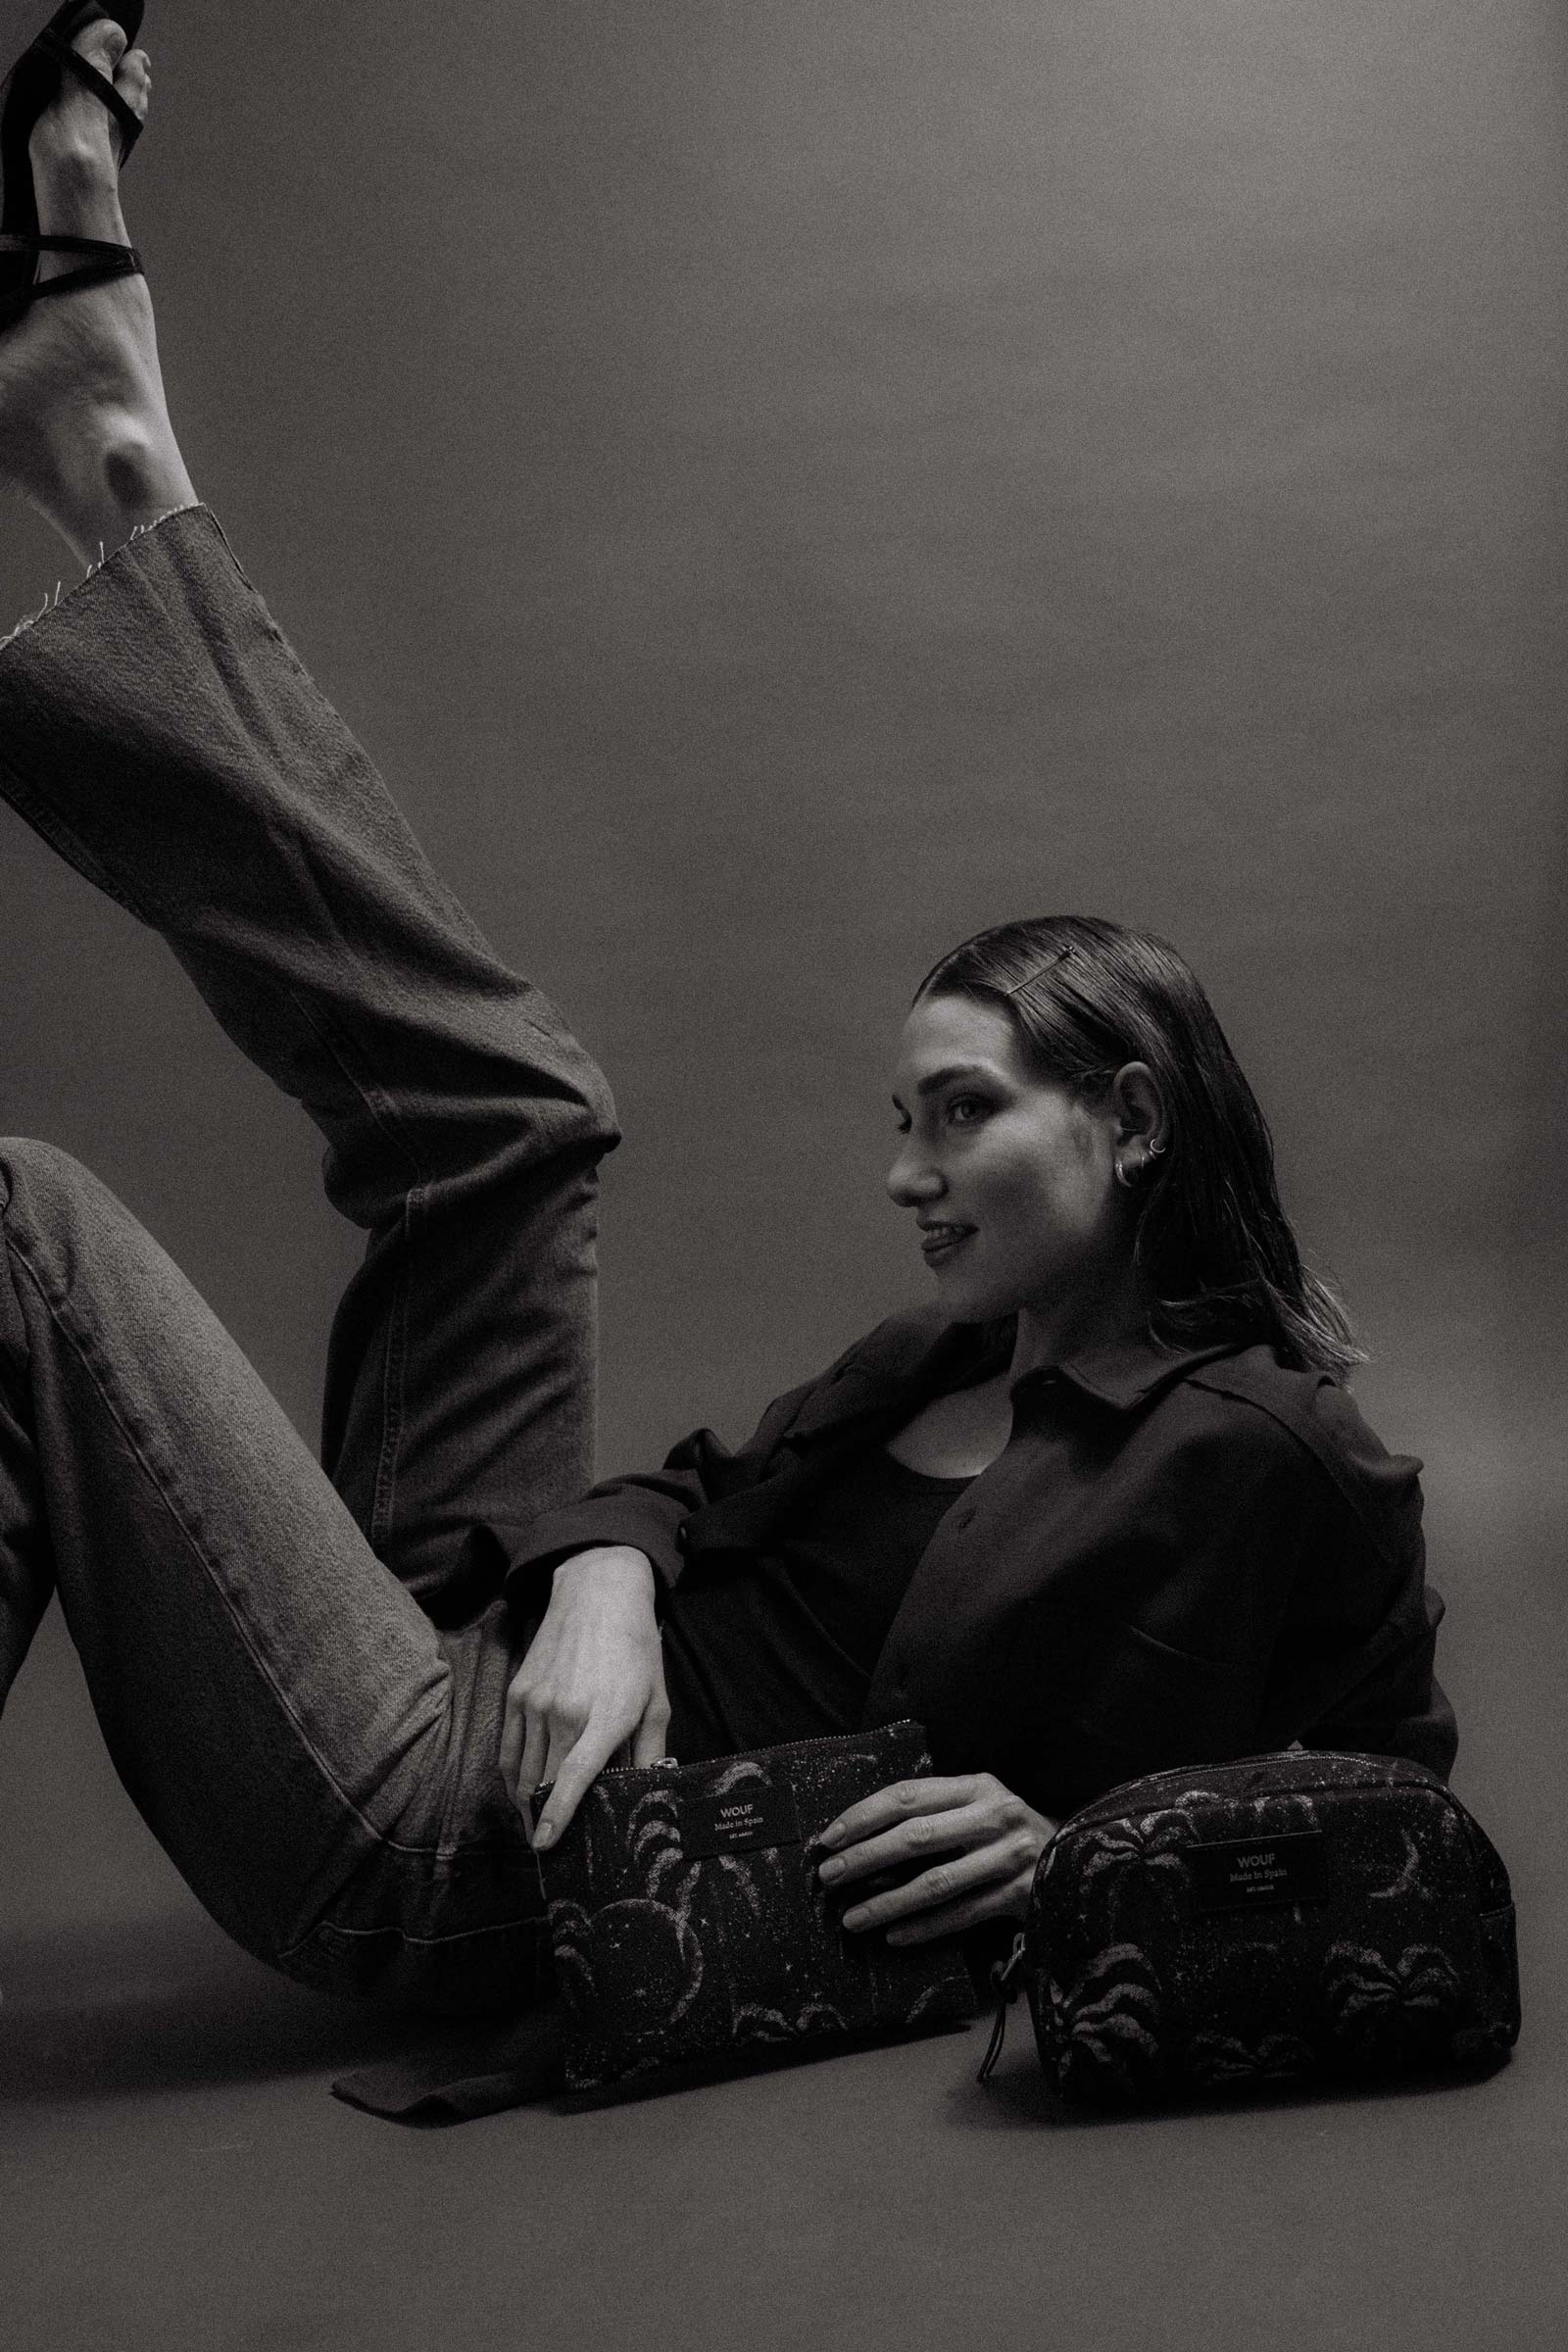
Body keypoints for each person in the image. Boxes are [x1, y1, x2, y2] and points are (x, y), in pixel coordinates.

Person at [0, 11, 1451, 2039]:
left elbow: (1398, 1807)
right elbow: (683, 1490)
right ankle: (117, 463)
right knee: (511, 1117)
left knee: (25, 1225)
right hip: (498, 1645)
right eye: (902, 1118)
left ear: (1131, 1120)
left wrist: (1084, 1847)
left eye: (958, 1113)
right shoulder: (955, 1349)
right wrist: (606, 1576)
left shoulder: (1273, 1447)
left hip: (483, 1847)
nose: (904, 1174)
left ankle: (100, 439)